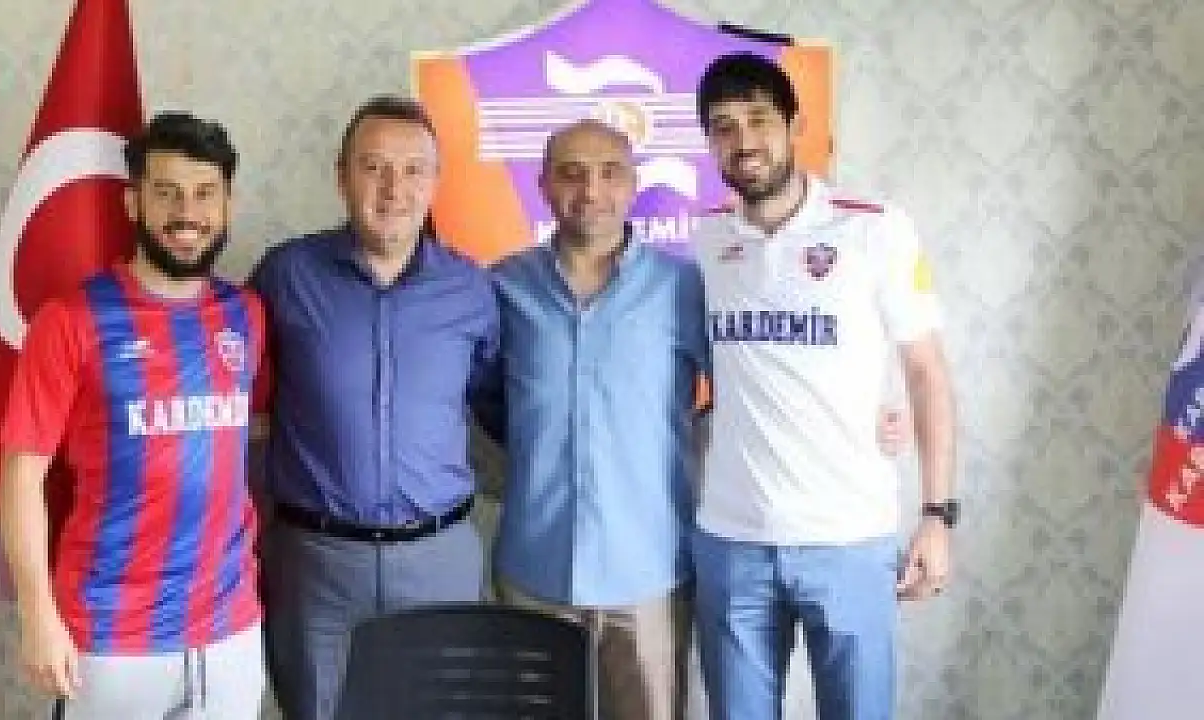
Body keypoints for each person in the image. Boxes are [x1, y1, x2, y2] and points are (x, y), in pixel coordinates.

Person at [689, 52, 958, 720]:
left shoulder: (874, 228)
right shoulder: (706, 241)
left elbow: (926, 373)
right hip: (732, 540)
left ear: (794, 124)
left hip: (849, 540)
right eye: (724, 126)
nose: (744, 140)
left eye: (759, 119)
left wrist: (937, 515)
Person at [0, 112, 267, 719]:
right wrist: (37, 613)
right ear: (133, 202)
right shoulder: (70, 321)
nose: (187, 213)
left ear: (228, 205)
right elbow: (20, 475)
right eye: (166, 193)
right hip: (111, 638)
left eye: (205, 193)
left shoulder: (245, 315)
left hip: (229, 629)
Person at [250, 95, 499, 720]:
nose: (394, 189)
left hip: (438, 557)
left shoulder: (471, 289)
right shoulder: (285, 276)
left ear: (435, 181)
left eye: (413, 170)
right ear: (342, 176)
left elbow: (490, 396)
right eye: (374, 167)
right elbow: (244, 401)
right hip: (317, 567)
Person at [482, 119, 707, 720]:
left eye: (610, 173)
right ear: (543, 185)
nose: (591, 191)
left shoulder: (681, 287)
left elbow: (741, 392)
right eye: (572, 174)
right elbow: (483, 399)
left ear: (633, 184)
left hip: (647, 572)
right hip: (534, 569)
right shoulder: (504, 287)